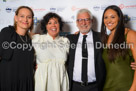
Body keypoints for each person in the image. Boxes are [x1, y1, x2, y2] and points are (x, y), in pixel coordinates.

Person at [66, 9, 106, 91]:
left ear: (92, 21)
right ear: (76, 23)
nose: (83, 23)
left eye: (86, 19)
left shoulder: (102, 38)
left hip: (96, 87)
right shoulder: (70, 39)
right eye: (80, 20)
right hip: (74, 87)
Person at [101, 5, 136, 91]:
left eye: (112, 17)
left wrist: (133, 89)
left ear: (119, 18)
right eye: (106, 17)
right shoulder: (105, 38)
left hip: (126, 86)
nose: (109, 20)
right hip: (107, 87)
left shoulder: (130, 34)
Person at [0, 6, 35, 91]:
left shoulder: (32, 39)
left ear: (32, 20)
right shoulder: (7, 32)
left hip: (26, 83)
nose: (25, 20)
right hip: (8, 81)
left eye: (29, 17)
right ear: (16, 18)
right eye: (22, 16)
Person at [32, 12, 69, 91]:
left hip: (61, 80)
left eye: (56, 22)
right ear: (45, 26)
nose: (53, 25)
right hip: (42, 81)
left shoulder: (65, 41)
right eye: (49, 23)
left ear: (60, 25)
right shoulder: (38, 39)